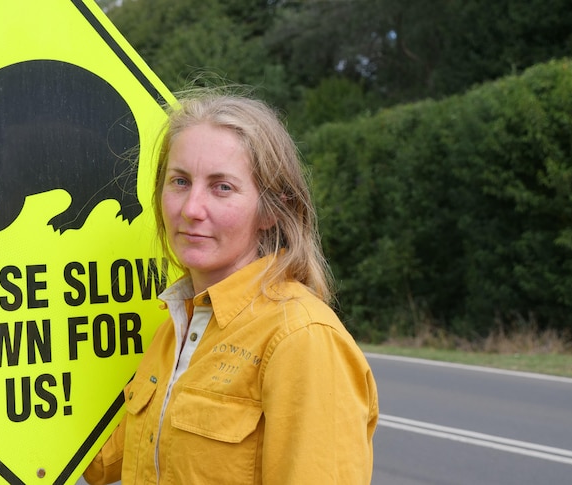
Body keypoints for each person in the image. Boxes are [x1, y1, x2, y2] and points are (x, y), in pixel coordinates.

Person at [84, 90, 379, 484]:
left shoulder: (301, 340)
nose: (191, 208)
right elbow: (102, 465)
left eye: (222, 187)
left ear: (272, 210)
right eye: (180, 181)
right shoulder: (175, 331)